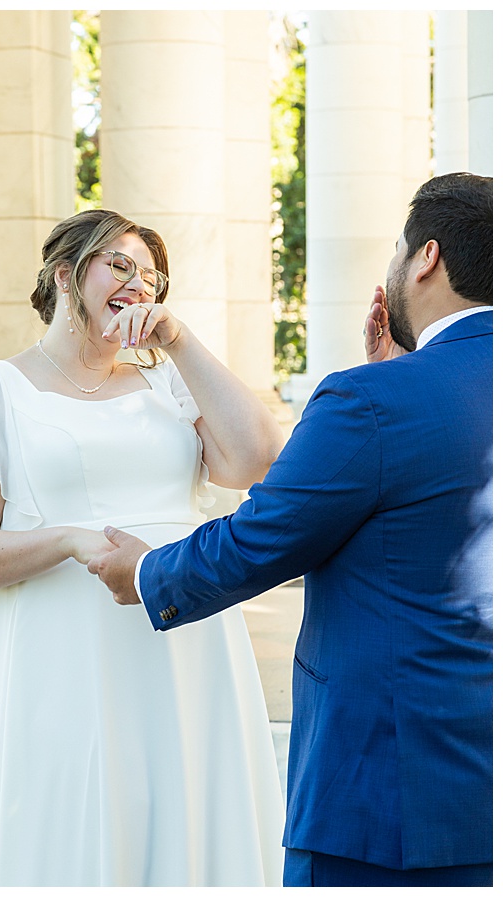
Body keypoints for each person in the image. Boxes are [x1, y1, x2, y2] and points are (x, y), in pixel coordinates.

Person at [90, 173, 492, 887]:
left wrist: (147, 572)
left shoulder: (369, 400)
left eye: (396, 250)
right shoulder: (391, 396)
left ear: (426, 258)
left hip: (386, 798)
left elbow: (264, 535)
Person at [0, 208, 286, 886]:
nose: (139, 283)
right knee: (79, 831)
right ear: (64, 273)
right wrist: (65, 538)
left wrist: (177, 338)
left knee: (195, 826)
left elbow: (259, 458)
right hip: (67, 653)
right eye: (119, 264)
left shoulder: (168, 382)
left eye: (151, 275)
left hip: (189, 642)